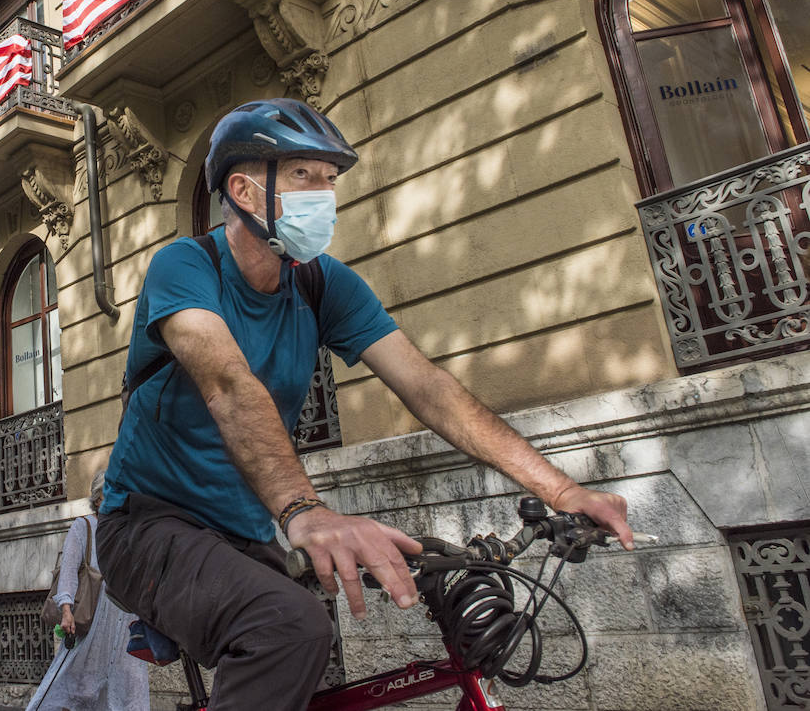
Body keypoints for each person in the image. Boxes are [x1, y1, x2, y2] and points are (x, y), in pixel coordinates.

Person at [96, 98, 635, 711]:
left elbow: (427, 388)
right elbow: (227, 384)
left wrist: (561, 492)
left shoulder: (322, 282)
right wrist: (307, 510)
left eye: (330, 180)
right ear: (244, 191)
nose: (325, 195)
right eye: (304, 176)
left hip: (245, 534)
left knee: (311, 665)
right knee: (290, 629)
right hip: (147, 526)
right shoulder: (185, 266)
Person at [25, 471, 148, 711]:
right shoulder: (84, 527)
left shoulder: (128, 530)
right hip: (93, 617)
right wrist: (66, 609)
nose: (121, 500)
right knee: (75, 679)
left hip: (125, 620)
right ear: (99, 498)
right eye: (114, 494)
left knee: (128, 682)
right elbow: (69, 570)